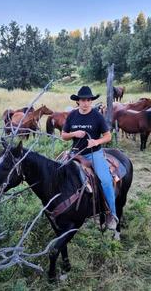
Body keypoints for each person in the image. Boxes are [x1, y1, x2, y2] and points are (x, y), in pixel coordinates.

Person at [61, 86, 118, 230]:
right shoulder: (72, 115)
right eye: (82, 100)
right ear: (78, 101)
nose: (85, 103)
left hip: (93, 154)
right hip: (75, 153)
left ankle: (112, 213)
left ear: (91, 101)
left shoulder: (97, 116)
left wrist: (96, 142)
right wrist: (74, 134)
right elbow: (63, 135)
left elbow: (108, 136)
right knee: (57, 174)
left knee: (105, 181)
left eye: (88, 100)